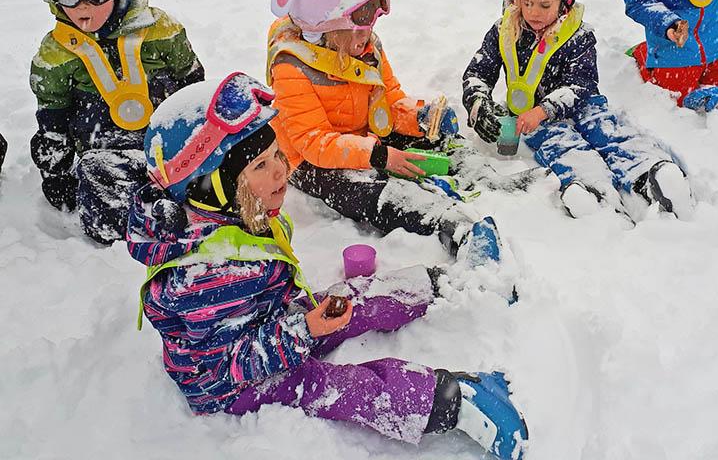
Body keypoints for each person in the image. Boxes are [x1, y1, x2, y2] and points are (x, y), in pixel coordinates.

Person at [128, 73, 528, 459]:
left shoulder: (227, 218)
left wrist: (301, 323)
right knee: (337, 387)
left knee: (350, 298)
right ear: (210, 188)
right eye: (260, 167)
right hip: (231, 384)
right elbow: (227, 363)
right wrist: (303, 329)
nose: (282, 172)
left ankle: (447, 285)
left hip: (265, 323)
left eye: (276, 156)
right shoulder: (204, 278)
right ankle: (453, 401)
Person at [267, 0, 521, 260]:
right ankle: (449, 225)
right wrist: (379, 155)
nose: (367, 35)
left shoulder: (367, 47)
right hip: (313, 162)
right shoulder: (291, 68)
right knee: (365, 189)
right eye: (357, 29)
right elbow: (312, 142)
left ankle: (480, 173)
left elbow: (389, 101)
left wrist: (422, 119)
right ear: (327, 32)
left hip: (363, 137)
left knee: (433, 136)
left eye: (370, 25)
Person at [464, 0, 695, 220]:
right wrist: (478, 101)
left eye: (545, 5)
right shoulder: (504, 31)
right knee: (560, 145)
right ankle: (590, 188)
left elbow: (581, 84)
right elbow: (478, 71)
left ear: (565, 1)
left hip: (580, 106)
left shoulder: (579, 36)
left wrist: (545, 109)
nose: (534, 12)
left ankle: (648, 174)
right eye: (527, 3)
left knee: (609, 131)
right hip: (534, 121)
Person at [29, 0, 204, 243]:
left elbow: (192, 86)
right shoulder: (55, 56)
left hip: (167, 143)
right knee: (108, 215)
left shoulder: (160, 31)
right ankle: (138, 221)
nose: (81, 6)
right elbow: (52, 121)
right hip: (104, 150)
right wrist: (56, 174)